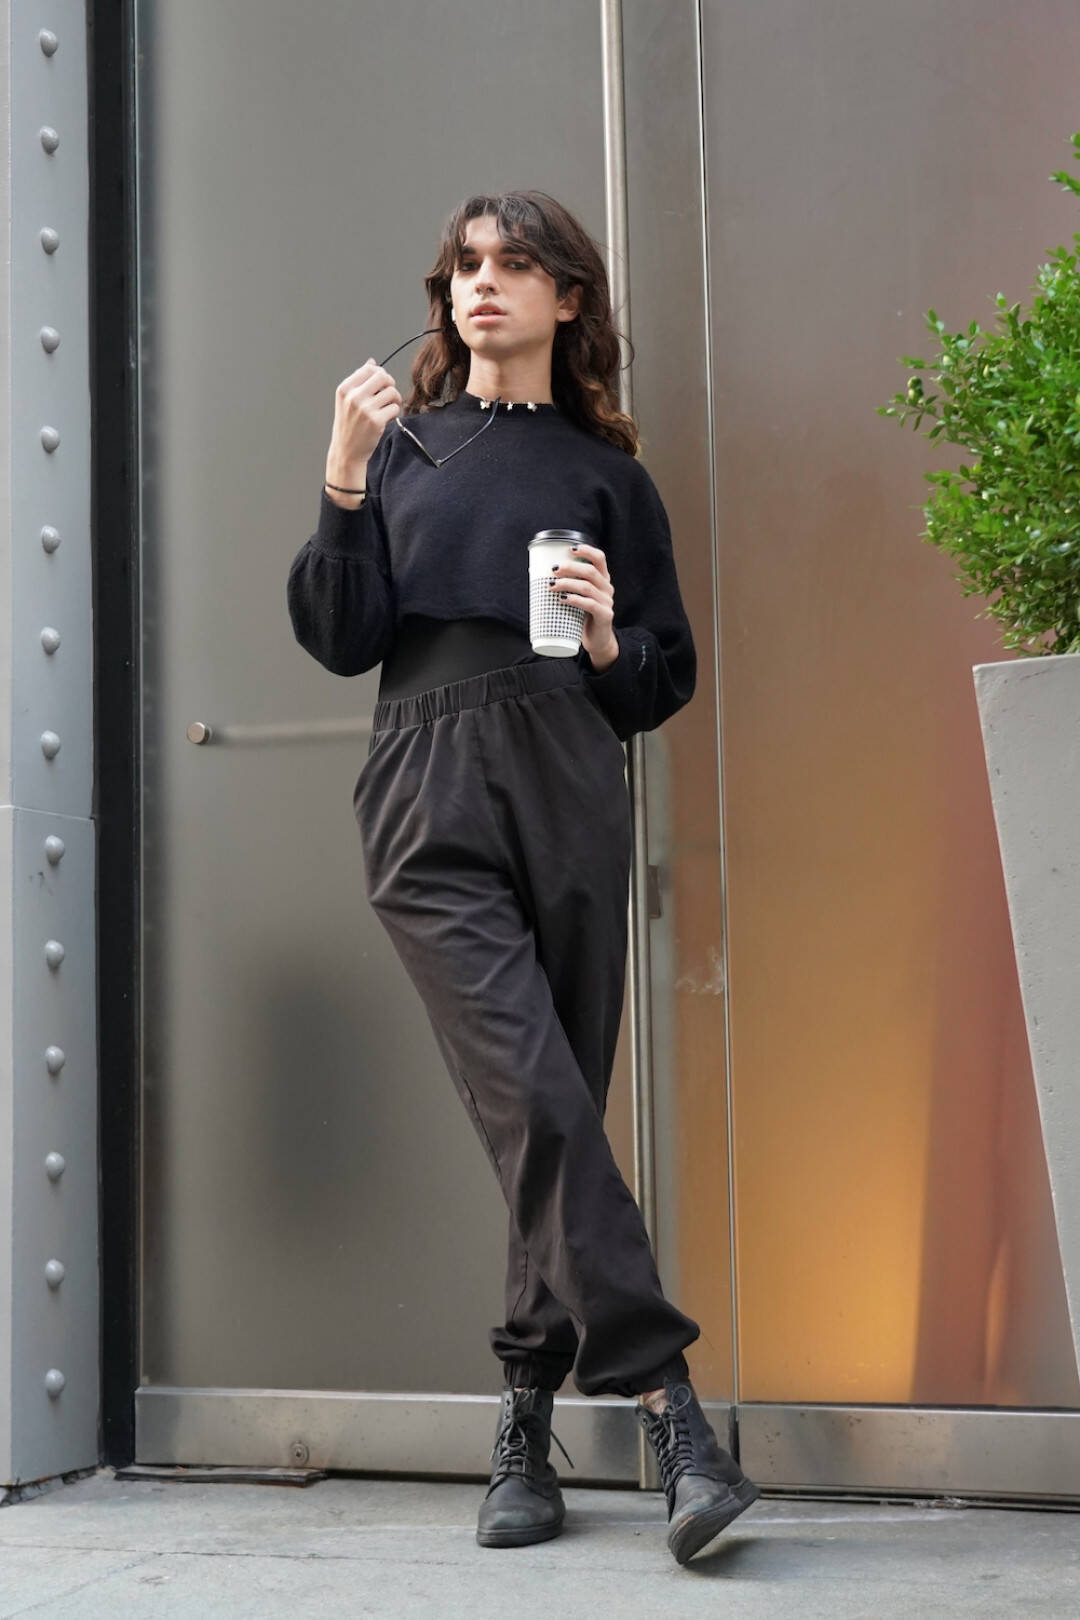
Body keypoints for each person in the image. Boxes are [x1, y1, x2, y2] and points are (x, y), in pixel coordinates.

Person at [286, 189, 759, 1566]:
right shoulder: (402, 448)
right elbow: (339, 634)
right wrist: (341, 477)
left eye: (513, 263)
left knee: (552, 1106)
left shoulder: (611, 477)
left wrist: (610, 643)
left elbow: (660, 682)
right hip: (426, 779)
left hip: (566, 776)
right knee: (536, 1095)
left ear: (568, 298)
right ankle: (672, 1409)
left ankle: (523, 1421)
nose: (482, 283)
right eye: (465, 266)